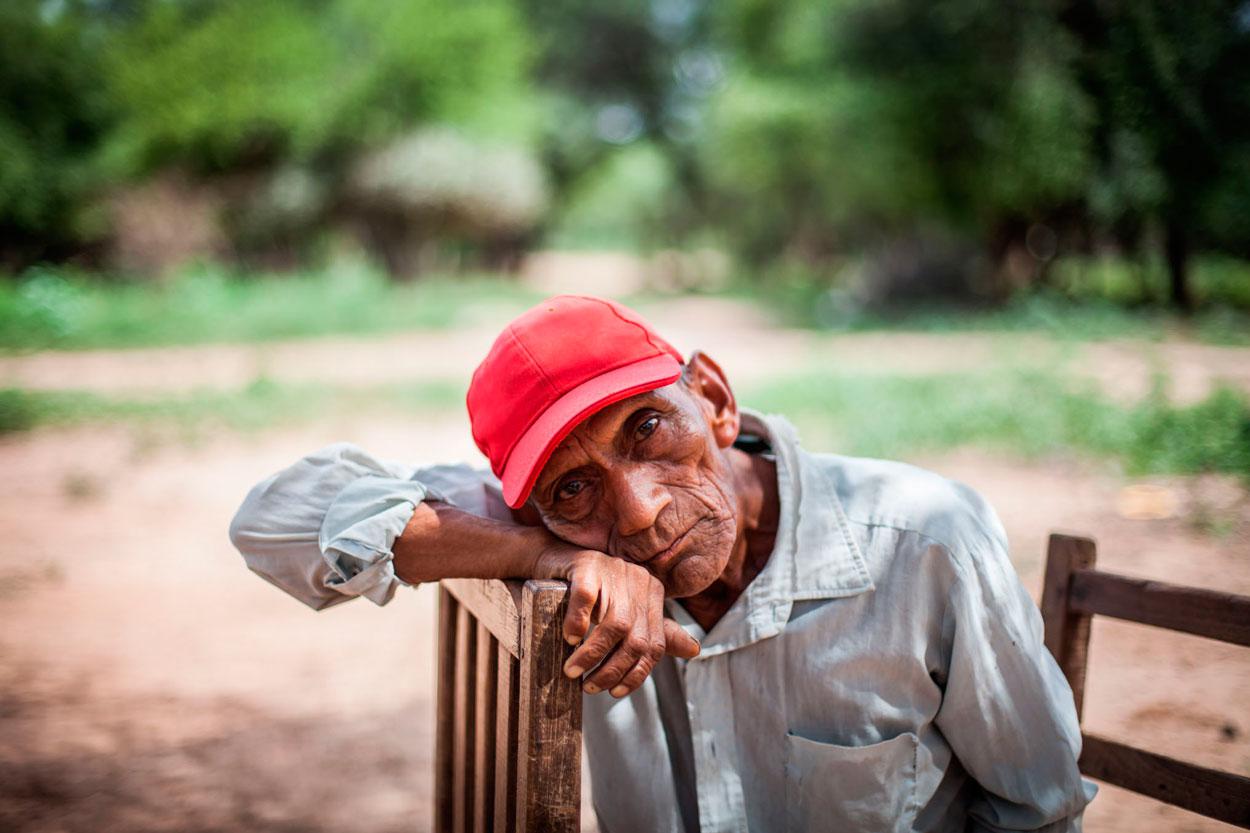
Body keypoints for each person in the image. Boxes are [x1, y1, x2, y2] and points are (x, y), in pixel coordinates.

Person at [229, 295, 1095, 833]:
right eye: (573, 489)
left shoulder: (925, 539)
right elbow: (273, 522)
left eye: (648, 429)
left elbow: (1038, 808)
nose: (636, 511)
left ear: (713, 398)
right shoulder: (551, 532)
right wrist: (539, 550)